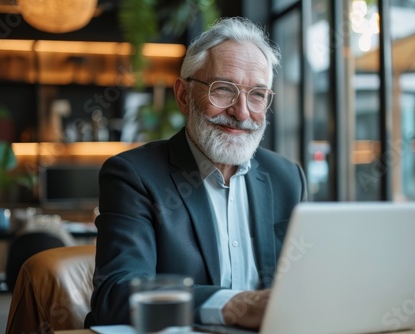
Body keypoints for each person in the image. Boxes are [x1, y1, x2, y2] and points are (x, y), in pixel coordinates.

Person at [85, 16, 307, 331]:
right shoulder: (133, 175)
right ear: (184, 96)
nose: (241, 112)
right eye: (223, 90)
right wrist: (236, 306)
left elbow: (306, 281)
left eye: (257, 95)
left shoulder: (287, 177)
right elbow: (116, 295)